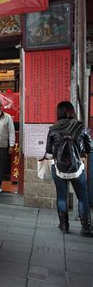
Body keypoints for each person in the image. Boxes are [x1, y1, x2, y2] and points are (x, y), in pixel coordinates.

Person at [45, 101, 93, 236]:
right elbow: (90, 148)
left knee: (61, 197)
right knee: (82, 198)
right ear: (72, 111)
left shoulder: (53, 129)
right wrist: (81, 152)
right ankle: (86, 228)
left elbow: (48, 151)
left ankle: (64, 226)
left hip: (58, 168)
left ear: (59, 112)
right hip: (78, 168)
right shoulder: (81, 127)